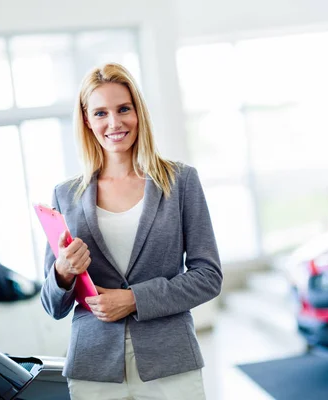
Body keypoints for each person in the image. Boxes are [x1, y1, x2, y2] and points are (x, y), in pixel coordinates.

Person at [40, 63, 222, 400]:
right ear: (86, 120)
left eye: (124, 108)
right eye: (101, 113)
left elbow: (208, 276)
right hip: (94, 368)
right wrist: (63, 272)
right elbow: (52, 304)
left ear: (138, 111)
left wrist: (134, 299)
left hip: (170, 363)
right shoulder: (65, 195)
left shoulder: (180, 181)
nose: (114, 123)